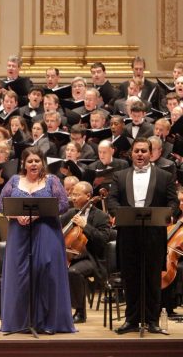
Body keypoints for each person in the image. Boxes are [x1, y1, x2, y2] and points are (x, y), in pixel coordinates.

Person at [0, 146, 74, 334]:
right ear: (23, 163)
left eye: (37, 161)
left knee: (46, 273)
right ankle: (21, 322)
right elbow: (1, 205)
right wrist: (17, 216)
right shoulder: (14, 181)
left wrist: (37, 214)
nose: (33, 164)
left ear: (42, 163)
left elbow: (63, 205)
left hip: (47, 232)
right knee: (20, 276)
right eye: (29, 161)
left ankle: (48, 322)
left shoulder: (52, 180)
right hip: (18, 234)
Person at [106, 137, 177, 334]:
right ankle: (131, 320)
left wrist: (168, 215)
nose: (140, 154)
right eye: (136, 151)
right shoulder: (120, 176)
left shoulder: (165, 175)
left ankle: (153, 321)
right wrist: (117, 213)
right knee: (131, 277)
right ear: (131, 153)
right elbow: (112, 200)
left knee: (153, 278)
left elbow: (173, 202)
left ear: (151, 153)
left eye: (144, 151)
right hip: (128, 234)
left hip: (154, 234)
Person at [59, 181, 110, 324]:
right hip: (71, 256)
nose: (73, 198)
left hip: (92, 258)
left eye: (76, 195)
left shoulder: (101, 216)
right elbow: (58, 233)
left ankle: (80, 312)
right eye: (72, 195)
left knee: (73, 272)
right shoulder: (70, 214)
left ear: (88, 196)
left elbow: (102, 241)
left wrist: (85, 226)